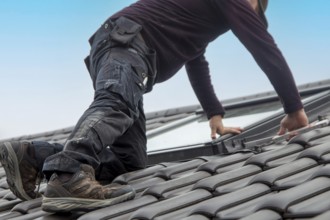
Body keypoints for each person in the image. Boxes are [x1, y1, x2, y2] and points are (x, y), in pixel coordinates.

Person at [0, 0, 308, 212]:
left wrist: (214, 115)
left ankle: (33, 155)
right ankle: (67, 177)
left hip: (122, 49)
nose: (250, 15)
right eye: (254, 8)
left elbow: (196, 62)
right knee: (116, 105)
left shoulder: (199, 19)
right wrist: (294, 109)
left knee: (129, 162)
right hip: (126, 44)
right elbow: (262, 46)